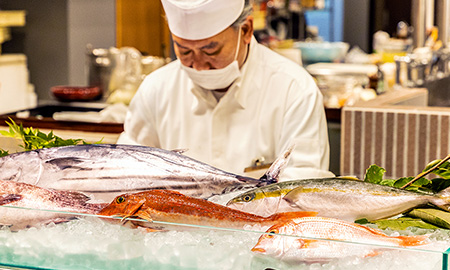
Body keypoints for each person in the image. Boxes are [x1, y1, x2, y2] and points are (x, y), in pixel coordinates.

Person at [117, 0, 334, 180]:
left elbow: (302, 189)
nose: (199, 65)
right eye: (184, 51)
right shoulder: (156, 89)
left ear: (246, 30)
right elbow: (126, 172)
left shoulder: (294, 90)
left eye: (211, 49)